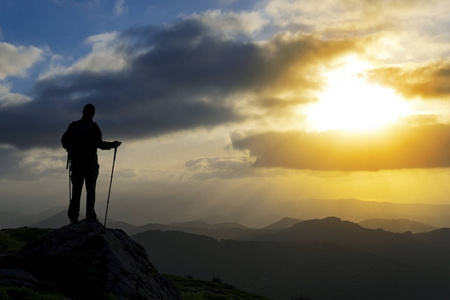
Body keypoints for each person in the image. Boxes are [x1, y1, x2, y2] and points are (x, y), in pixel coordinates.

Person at [61, 104, 121, 223]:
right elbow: (99, 144)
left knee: (76, 190)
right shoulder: (93, 127)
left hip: (77, 164)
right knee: (91, 190)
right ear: (93, 114)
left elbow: (64, 142)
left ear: (83, 111)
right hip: (90, 165)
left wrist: (72, 149)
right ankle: (90, 215)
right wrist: (113, 145)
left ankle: (74, 216)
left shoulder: (73, 126)